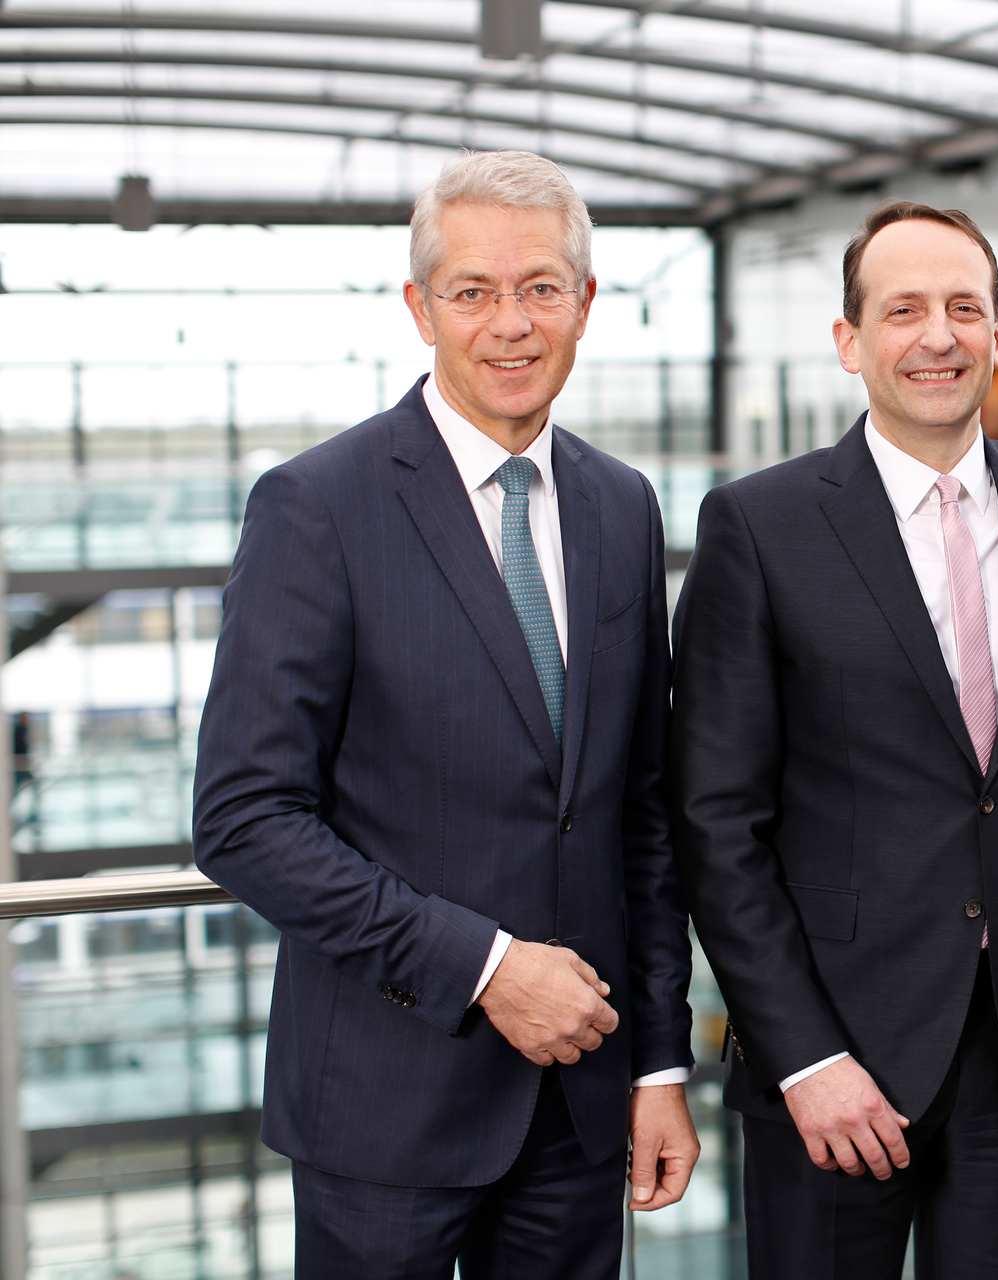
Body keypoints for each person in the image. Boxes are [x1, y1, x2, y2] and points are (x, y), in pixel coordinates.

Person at [192, 149, 698, 1279]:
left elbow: (642, 813)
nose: (510, 323)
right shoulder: (316, 506)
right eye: (472, 291)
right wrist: (484, 965)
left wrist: (661, 1064)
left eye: (540, 288)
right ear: (420, 308)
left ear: (586, 304)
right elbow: (242, 817)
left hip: (581, 1110)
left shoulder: (623, 507)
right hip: (385, 1113)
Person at [670, 200, 998, 1278]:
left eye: (963, 307)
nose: (937, 335)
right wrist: (802, 1053)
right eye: (903, 309)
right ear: (850, 341)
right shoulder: (757, 526)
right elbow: (716, 821)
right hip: (833, 1056)